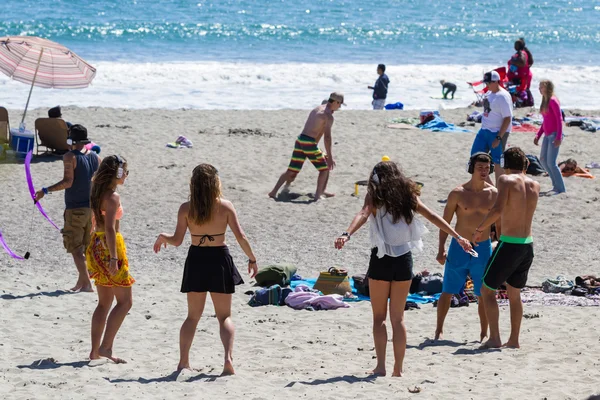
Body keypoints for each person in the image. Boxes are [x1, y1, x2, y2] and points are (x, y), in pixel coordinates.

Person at [334, 161, 473, 377]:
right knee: (397, 319)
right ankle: (398, 369)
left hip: (381, 259)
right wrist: (458, 236)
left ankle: (381, 367)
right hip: (404, 261)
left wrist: (346, 234)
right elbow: (433, 216)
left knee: (379, 317)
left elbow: (362, 214)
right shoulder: (408, 196)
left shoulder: (375, 196)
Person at [153, 164, 258, 375]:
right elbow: (241, 237)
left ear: (194, 185)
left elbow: (177, 240)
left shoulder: (186, 208)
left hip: (197, 259)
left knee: (192, 316)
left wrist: (164, 237)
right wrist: (252, 259)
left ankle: (183, 362)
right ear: (215, 183)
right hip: (219, 258)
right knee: (224, 317)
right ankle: (228, 359)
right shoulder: (226, 206)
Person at [472, 147, 540, 349]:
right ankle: (514, 340)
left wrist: (480, 229)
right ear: (526, 164)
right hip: (527, 244)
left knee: (486, 289)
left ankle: (494, 338)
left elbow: (498, 209)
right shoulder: (535, 184)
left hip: (509, 244)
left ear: (504, 165)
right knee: (514, 293)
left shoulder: (505, 180)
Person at [435, 153, 498, 342]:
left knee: (483, 292)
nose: (483, 172)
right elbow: (444, 223)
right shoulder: (458, 193)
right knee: (448, 289)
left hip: (483, 247)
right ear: (472, 168)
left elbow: (499, 223)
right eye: (480, 168)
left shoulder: (493, 194)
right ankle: (439, 330)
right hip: (459, 246)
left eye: (486, 168)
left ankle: (483, 333)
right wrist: (441, 248)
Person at [34, 125, 100, 292]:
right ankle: (81, 283)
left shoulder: (70, 156)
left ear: (72, 140)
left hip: (75, 209)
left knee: (75, 247)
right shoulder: (96, 158)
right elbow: (97, 184)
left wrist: (45, 191)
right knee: (84, 248)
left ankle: (86, 284)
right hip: (90, 209)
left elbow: (68, 182)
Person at [87, 155, 134, 363]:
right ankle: (106, 347)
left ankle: (94, 351)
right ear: (116, 173)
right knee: (125, 302)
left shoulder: (96, 192)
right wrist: (114, 258)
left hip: (96, 245)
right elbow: (110, 228)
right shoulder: (113, 197)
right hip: (109, 248)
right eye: (124, 171)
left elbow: (96, 223)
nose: (126, 174)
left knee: (104, 303)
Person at [268, 93, 343, 200]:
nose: (339, 107)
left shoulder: (317, 108)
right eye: (339, 104)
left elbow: (317, 132)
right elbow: (327, 138)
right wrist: (330, 157)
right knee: (325, 167)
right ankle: (318, 195)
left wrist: (315, 149)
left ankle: (273, 191)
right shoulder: (328, 116)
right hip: (308, 143)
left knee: (292, 171)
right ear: (335, 102)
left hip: (300, 140)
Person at [470, 70, 513, 184]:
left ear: (496, 82)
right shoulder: (489, 93)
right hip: (484, 130)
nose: (486, 85)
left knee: (498, 162)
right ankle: (491, 188)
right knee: (475, 158)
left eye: (488, 83)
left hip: (497, 132)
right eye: (485, 83)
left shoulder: (503, 96)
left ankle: (500, 190)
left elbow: (507, 118)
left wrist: (499, 137)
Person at [534, 80, 565, 195]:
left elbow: (559, 120)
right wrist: (538, 135)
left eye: (541, 87)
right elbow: (545, 121)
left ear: (547, 87)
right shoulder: (545, 101)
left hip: (554, 135)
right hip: (547, 135)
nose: (539, 89)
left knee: (551, 162)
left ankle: (560, 188)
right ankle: (555, 185)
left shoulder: (553, 100)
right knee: (543, 160)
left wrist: (558, 137)